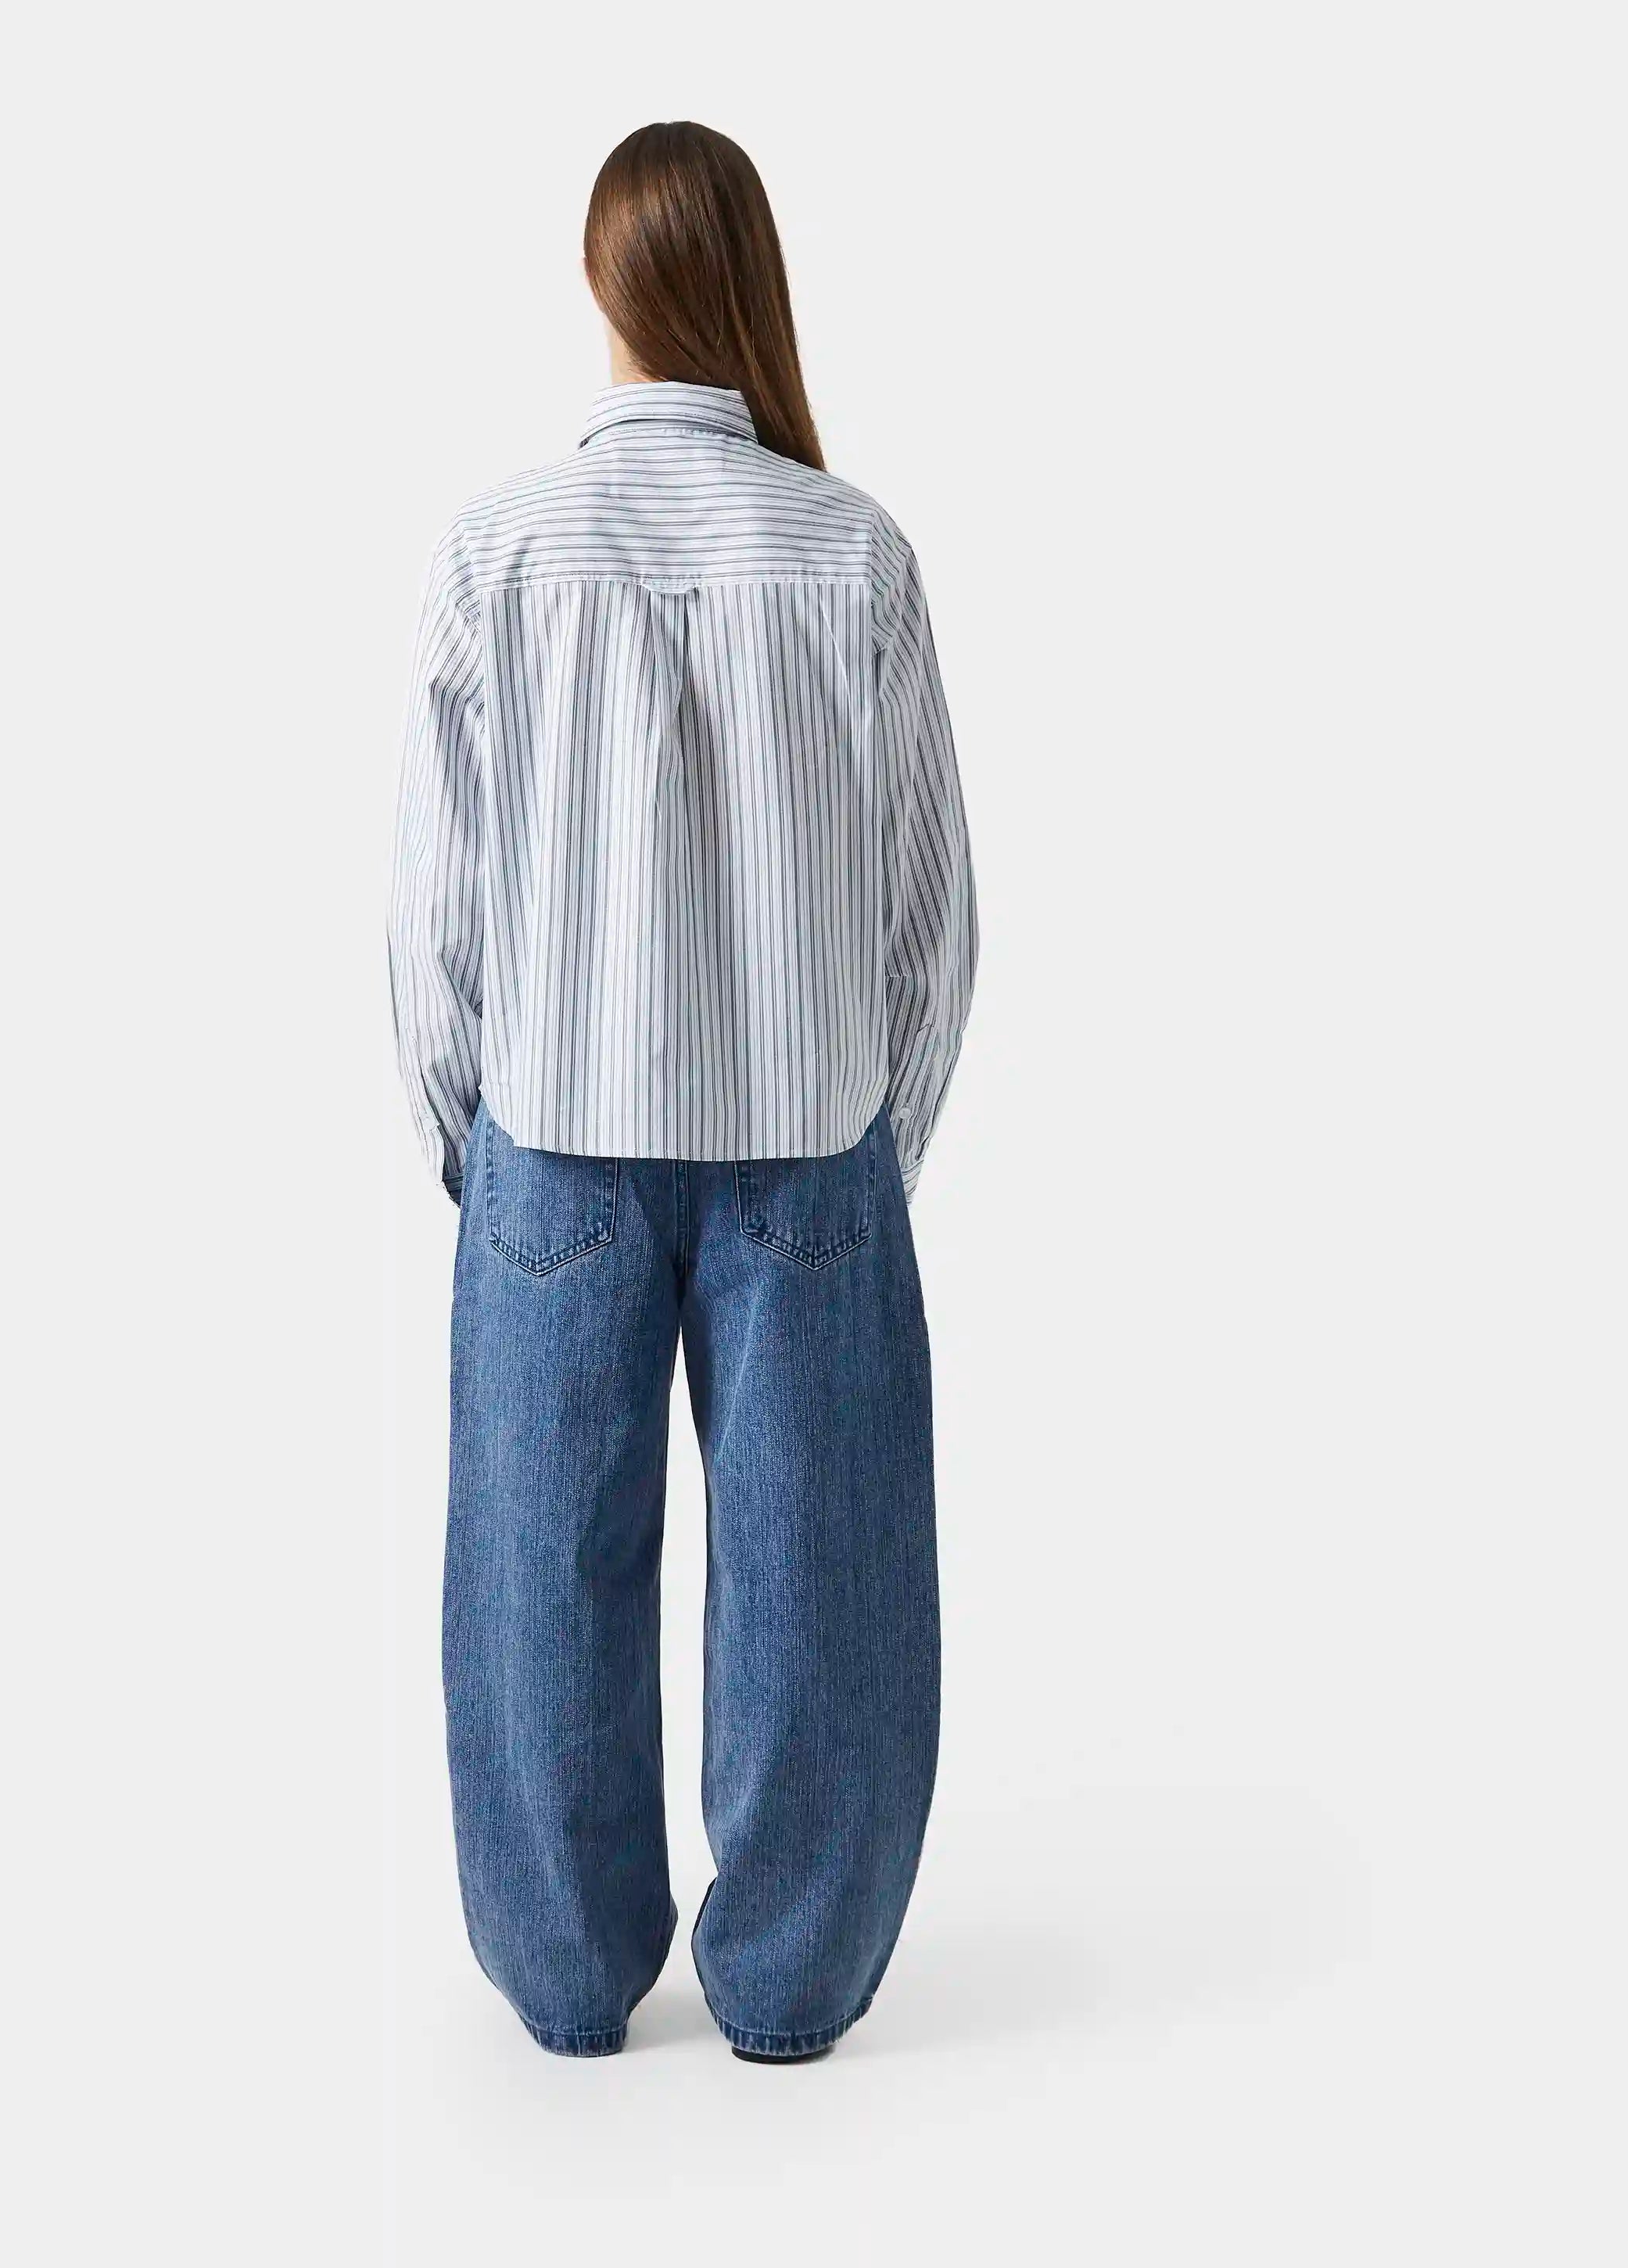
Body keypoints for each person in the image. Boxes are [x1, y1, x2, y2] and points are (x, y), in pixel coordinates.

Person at [388, 120, 977, 2064]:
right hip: (810, 1143)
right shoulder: (853, 550)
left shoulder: (499, 550)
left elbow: (436, 909)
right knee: (825, 1594)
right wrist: (876, 1139)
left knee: (537, 1581)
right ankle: (794, 1985)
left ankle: (565, 1979)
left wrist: (472, 1142)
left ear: (605, 286)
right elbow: (931, 914)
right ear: (747, 284)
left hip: (553, 1139)